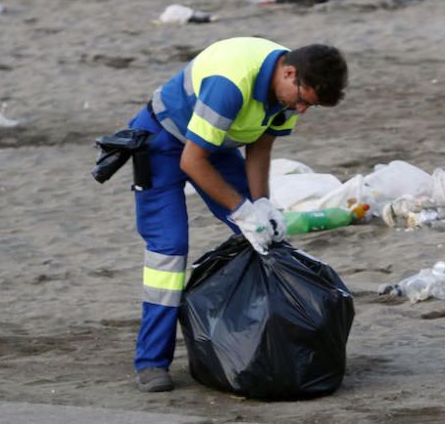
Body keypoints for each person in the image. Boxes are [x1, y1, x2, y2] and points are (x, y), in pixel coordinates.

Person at [126, 37, 347, 392]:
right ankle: (151, 362)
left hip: (214, 145)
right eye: (303, 100)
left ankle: (255, 339)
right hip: (162, 143)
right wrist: (241, 209)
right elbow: (191, 161)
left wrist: (260, 205)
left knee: (264, 237)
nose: (302, 111)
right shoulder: (231, 84)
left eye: (311, 106)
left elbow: (260, 147)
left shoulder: (289, 89)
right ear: (290, 74)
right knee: (168, 252)